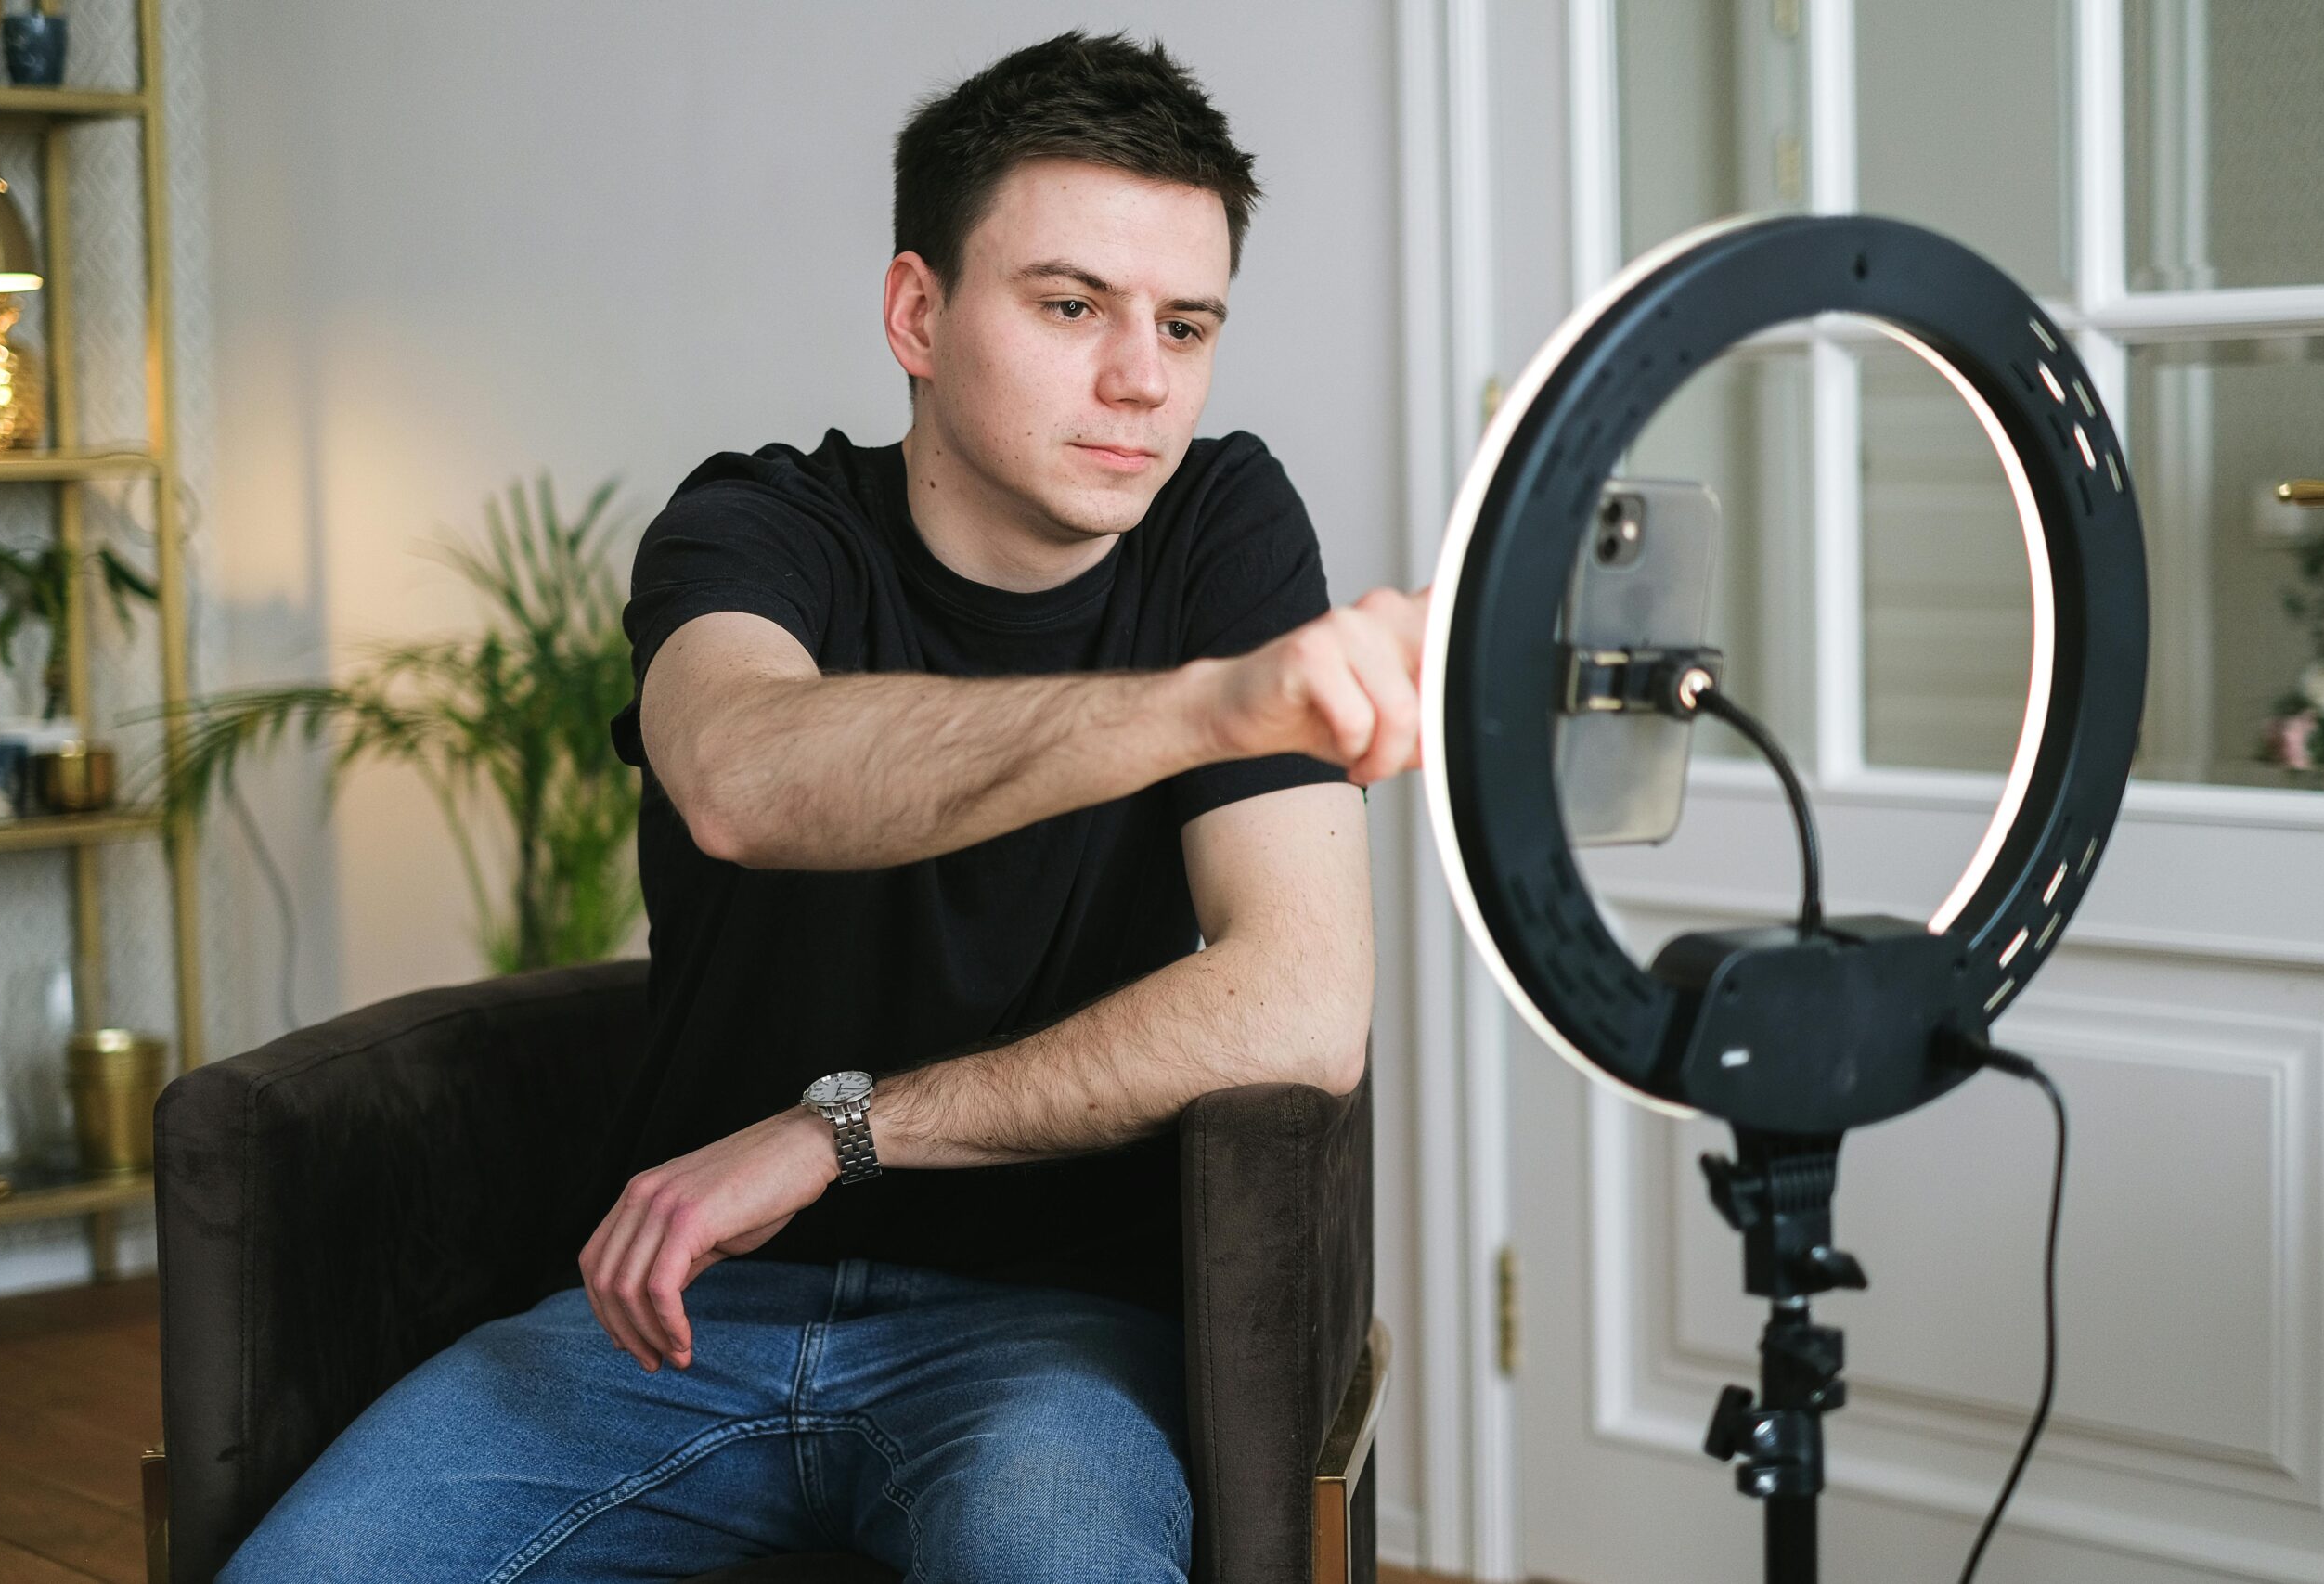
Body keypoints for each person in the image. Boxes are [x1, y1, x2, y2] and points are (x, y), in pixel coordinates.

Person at [220, 29, 1427, 1583]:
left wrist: (838, 1133)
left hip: (1054, 1345)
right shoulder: (756, 527)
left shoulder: (1220, 526)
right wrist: (1204, 707)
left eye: (1186, 324)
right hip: (675, 1319)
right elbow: (743, 775)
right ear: (917, 313)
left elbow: (1304, 1006)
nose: (1142, 379)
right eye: (1070, 306)